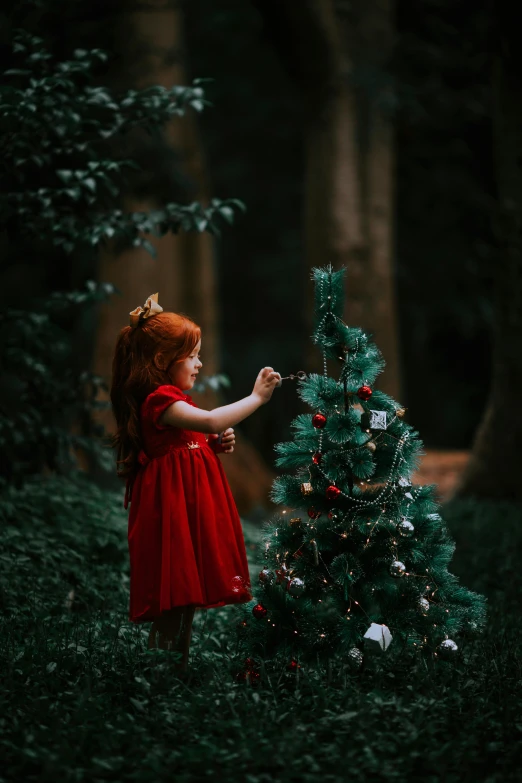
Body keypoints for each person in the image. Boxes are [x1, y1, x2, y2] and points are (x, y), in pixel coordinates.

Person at [110, 293, 281, 671]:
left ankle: (175, 671)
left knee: (184, 595)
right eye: (193, 355)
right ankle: (160, 675)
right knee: (174, 596)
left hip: (187, 509)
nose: (200, 363)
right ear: (161, 361)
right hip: (171, 514)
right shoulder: (159, 400)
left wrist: (211, 445)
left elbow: (189, 441)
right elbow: (211, 420)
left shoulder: (170, 402)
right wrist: (256, 398)